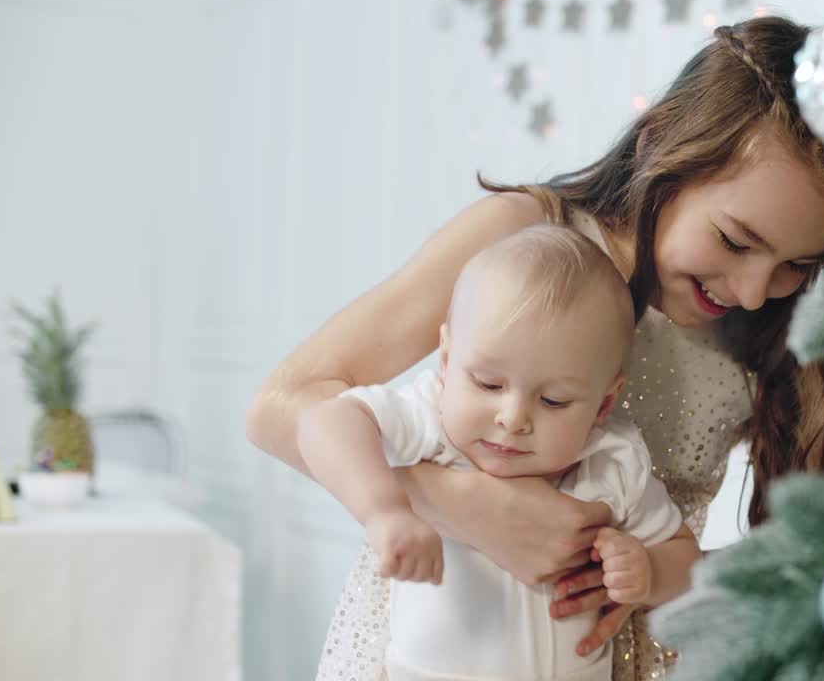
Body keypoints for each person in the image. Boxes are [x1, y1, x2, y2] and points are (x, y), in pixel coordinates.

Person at [247, 15, 824, 681]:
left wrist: (658, 572)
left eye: (796, 263)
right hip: (440, 646)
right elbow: (279, 407)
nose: (756, 290)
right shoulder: (526, 241)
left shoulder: (784, 324)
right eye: (734, 240)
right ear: (659, 146)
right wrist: (465, 505)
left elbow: (822, 552)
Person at [298, 225, 697, 681]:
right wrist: (384, 510)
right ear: (447, 361)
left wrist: (648, 570)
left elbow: (686, 559)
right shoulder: (432, 419)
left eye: (554, 401)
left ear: (604, 403)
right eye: (488, 384)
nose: (512, 417)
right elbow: (324, 422)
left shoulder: (611, 457)